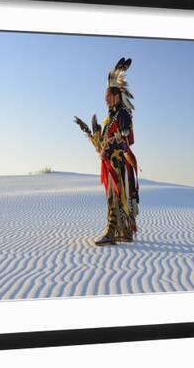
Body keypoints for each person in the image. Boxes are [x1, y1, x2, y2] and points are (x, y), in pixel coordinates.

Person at [74, 58, 139, 246]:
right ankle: (124, 231)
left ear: (117, 96)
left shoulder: (123, 114)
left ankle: (112, 232)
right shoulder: (110, 117)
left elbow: (126, 136)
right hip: (111, 163)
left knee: (115, 195)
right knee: (117, 196)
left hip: (118, 164)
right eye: (105, 96)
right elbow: (104, 141)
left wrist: (118, 138)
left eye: (109, 96)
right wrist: (93, 134)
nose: (105, 99)